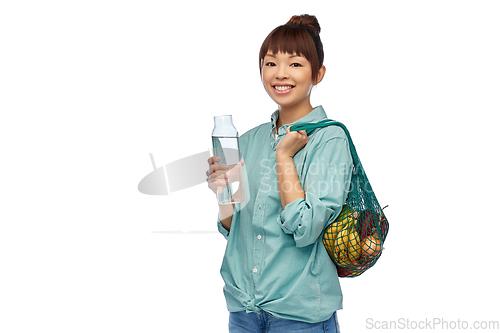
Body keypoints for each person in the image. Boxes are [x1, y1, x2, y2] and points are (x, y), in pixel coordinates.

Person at [206, 14, 352, 333]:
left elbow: (305, 229)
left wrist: (284, 157)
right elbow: (236, 230)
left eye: (295, 64)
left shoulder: (330, 139)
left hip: (299, 315)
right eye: (270, 63)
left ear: (318, 73)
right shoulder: (248, 140)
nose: (280, 74)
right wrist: (223, 194)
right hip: (243, 310)